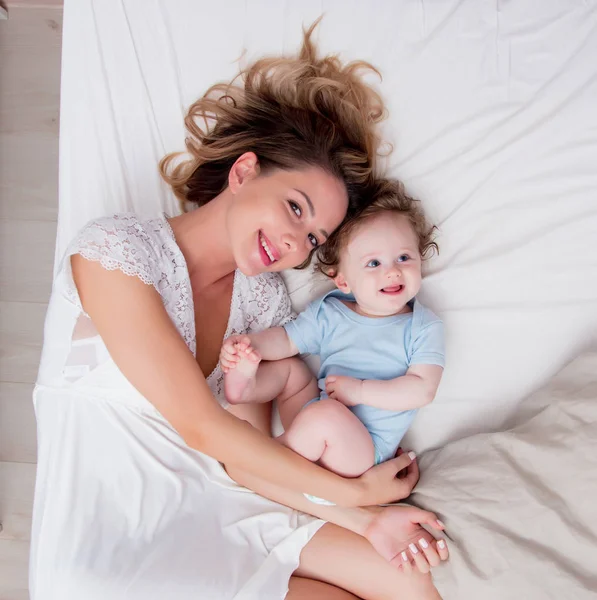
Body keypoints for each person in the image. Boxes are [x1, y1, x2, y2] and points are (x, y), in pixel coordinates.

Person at [30, 23, 448, 600]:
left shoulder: (262, 302)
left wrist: (368, 520)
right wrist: (356, 497)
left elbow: (247, 466)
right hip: (115, 545)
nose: (296, 243)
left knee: (407, 579)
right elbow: (202, 424)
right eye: (295, 208)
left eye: (314, 236)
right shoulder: (115, 252)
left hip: (222, 505)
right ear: (245, 171)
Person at [220, 179, 444, 480]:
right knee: (291, 370)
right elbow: (287, 339)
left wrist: (361, 391)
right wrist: (252, 346)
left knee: (325, 415)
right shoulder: (331, 312)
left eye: (404, 258)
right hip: (316, 423)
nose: (392, 271)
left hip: (362, 452)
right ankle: (244, 387)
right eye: (374, 263)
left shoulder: (422, 326)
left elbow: (421, 390)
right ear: (343, 281)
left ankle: (269, 460)